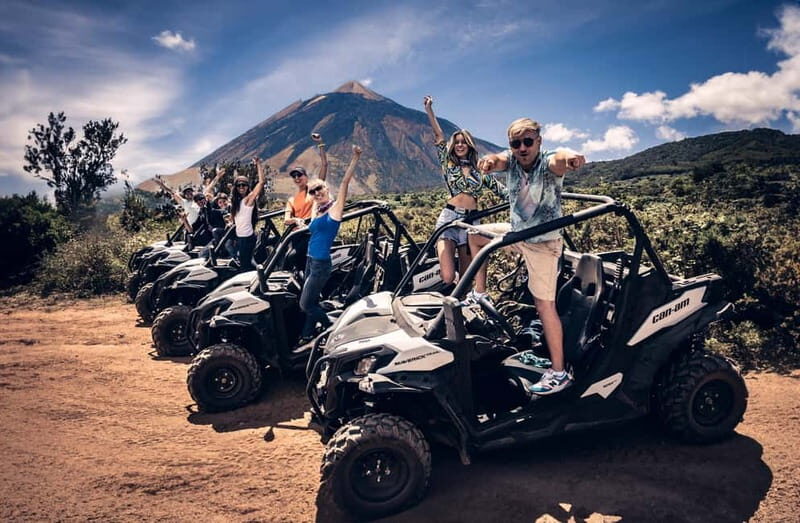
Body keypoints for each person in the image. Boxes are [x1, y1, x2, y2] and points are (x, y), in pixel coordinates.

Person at [469, 117, 585, 395]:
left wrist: (571, 158)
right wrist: (488, 162)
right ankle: (480, 293)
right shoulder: (511, 159)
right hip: (519, 233)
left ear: (538, 142)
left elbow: (561, 158)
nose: (522, 148)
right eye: (515, 143)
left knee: (545, 306)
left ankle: (559, 371)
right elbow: (498, 160)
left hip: (543, 243)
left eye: (527, 141)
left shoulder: (547, 163)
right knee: (475, 235)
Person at [423, 95, 507, 294]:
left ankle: (460, 312)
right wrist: (429, 110)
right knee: (448, 276)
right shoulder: (448, 163)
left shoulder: (480, 172)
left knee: (466, 279)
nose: (460, 145)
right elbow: (438, 137)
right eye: (457, 142)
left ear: (469, 145)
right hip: (449, 219)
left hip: (470, 223)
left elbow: (502, 192)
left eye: (464, 142)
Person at [298, 144, 362, 343]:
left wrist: (355, 158)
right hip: (310, 260)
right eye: (313, 191)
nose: (317, 193)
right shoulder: (317, 209)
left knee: (305, 305)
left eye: (320, 188)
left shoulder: (334, 210)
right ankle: (307, 335)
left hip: (321, 265)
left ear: (327, 189)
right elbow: (313, 228)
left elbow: (344, 183)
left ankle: (333, 329)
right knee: (312, 300)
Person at [285, 133, 328, 227]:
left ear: (306, 177)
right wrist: (295, 220)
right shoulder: (291, 200)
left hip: (312, 231)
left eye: (299, 175)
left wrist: (320, 143)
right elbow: (286, 220)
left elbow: (324, 165)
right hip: (298, 234)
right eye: (294, 176)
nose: (297, 178)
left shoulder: (314, 191)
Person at [231, 158, 267, 269]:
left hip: (247, 239)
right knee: (245, 264)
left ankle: (261, 277)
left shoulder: (248, 199)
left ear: (248, 186)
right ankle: (260, 276)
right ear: (236, 188)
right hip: (240, 238)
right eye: (239, 185)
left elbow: (261, 183)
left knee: (246, 265)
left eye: (244, 185)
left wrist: (259, 164)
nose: (241, 187)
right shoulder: (236, 203)